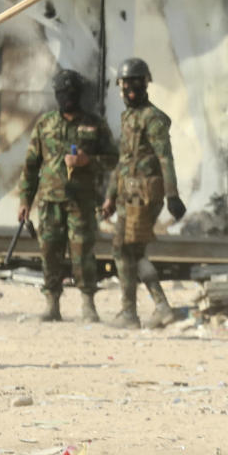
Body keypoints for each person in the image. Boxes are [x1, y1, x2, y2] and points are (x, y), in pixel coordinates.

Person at [18, 69, 117, 322]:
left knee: (83, 252)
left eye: (72, 93)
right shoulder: (45, 123)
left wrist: (88, 161)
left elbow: (114, 159)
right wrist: (25, 201)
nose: (68, 98)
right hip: (50, 201)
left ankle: (87, 304)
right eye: (63, 93)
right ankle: (52, 303)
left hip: (82, 202)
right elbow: (31, 165)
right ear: (57, 95)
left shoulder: (95, 124)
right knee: (50, 251)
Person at [101, 58, 186, 329]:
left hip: (145, 194)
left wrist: (172, 195)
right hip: (129, 193)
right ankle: (144, 310)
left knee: (129, 249)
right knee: (124, 249)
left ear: (144, 83)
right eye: (125, 85)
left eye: (133, 84)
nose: (129, 90)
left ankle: (147, 310)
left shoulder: (153, 119)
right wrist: (111, 196)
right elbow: (124, 162)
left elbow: (166, 158)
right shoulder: (129, 117)